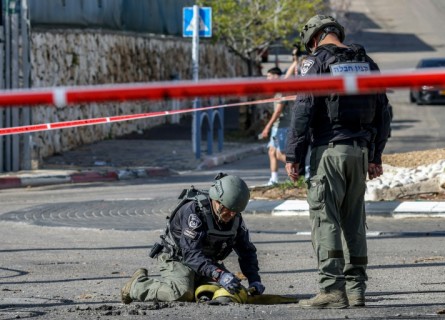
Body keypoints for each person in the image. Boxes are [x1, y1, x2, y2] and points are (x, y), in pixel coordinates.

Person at [285, 14, 391, 309]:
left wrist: (293, 155)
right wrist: (375, 155)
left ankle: (331, 289)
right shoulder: (367, 62)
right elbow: (383, 113)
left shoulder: (315, 62)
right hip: (359, 154)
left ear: (314, 38)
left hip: (328, 153)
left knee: (325, 220)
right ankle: (357, 290)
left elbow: (303, 109)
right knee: (354, 222)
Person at [121, 173, 265, 304]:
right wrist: (218, 274)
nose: (231, 215)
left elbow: (247, 251)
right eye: (227, 209)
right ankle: (137, 285)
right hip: (178, 259)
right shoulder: (194, 212)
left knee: (234, 291)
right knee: (180, 293)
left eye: (235, 212)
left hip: (206, 263)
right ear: (216, 199)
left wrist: (254, 280)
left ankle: (195, 283)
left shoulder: (235, 218)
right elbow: (191, 254)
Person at [260, 67, 293, 185]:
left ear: (275, 76)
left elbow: (278, 111)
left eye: (269, 76)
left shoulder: (281, 90)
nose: (267, 79)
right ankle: (274, 179)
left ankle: (299, 170)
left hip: (282, 127)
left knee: (280, 154)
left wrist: (267, 127)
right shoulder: (277, 89)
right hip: (277, 127)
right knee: (271, 152)